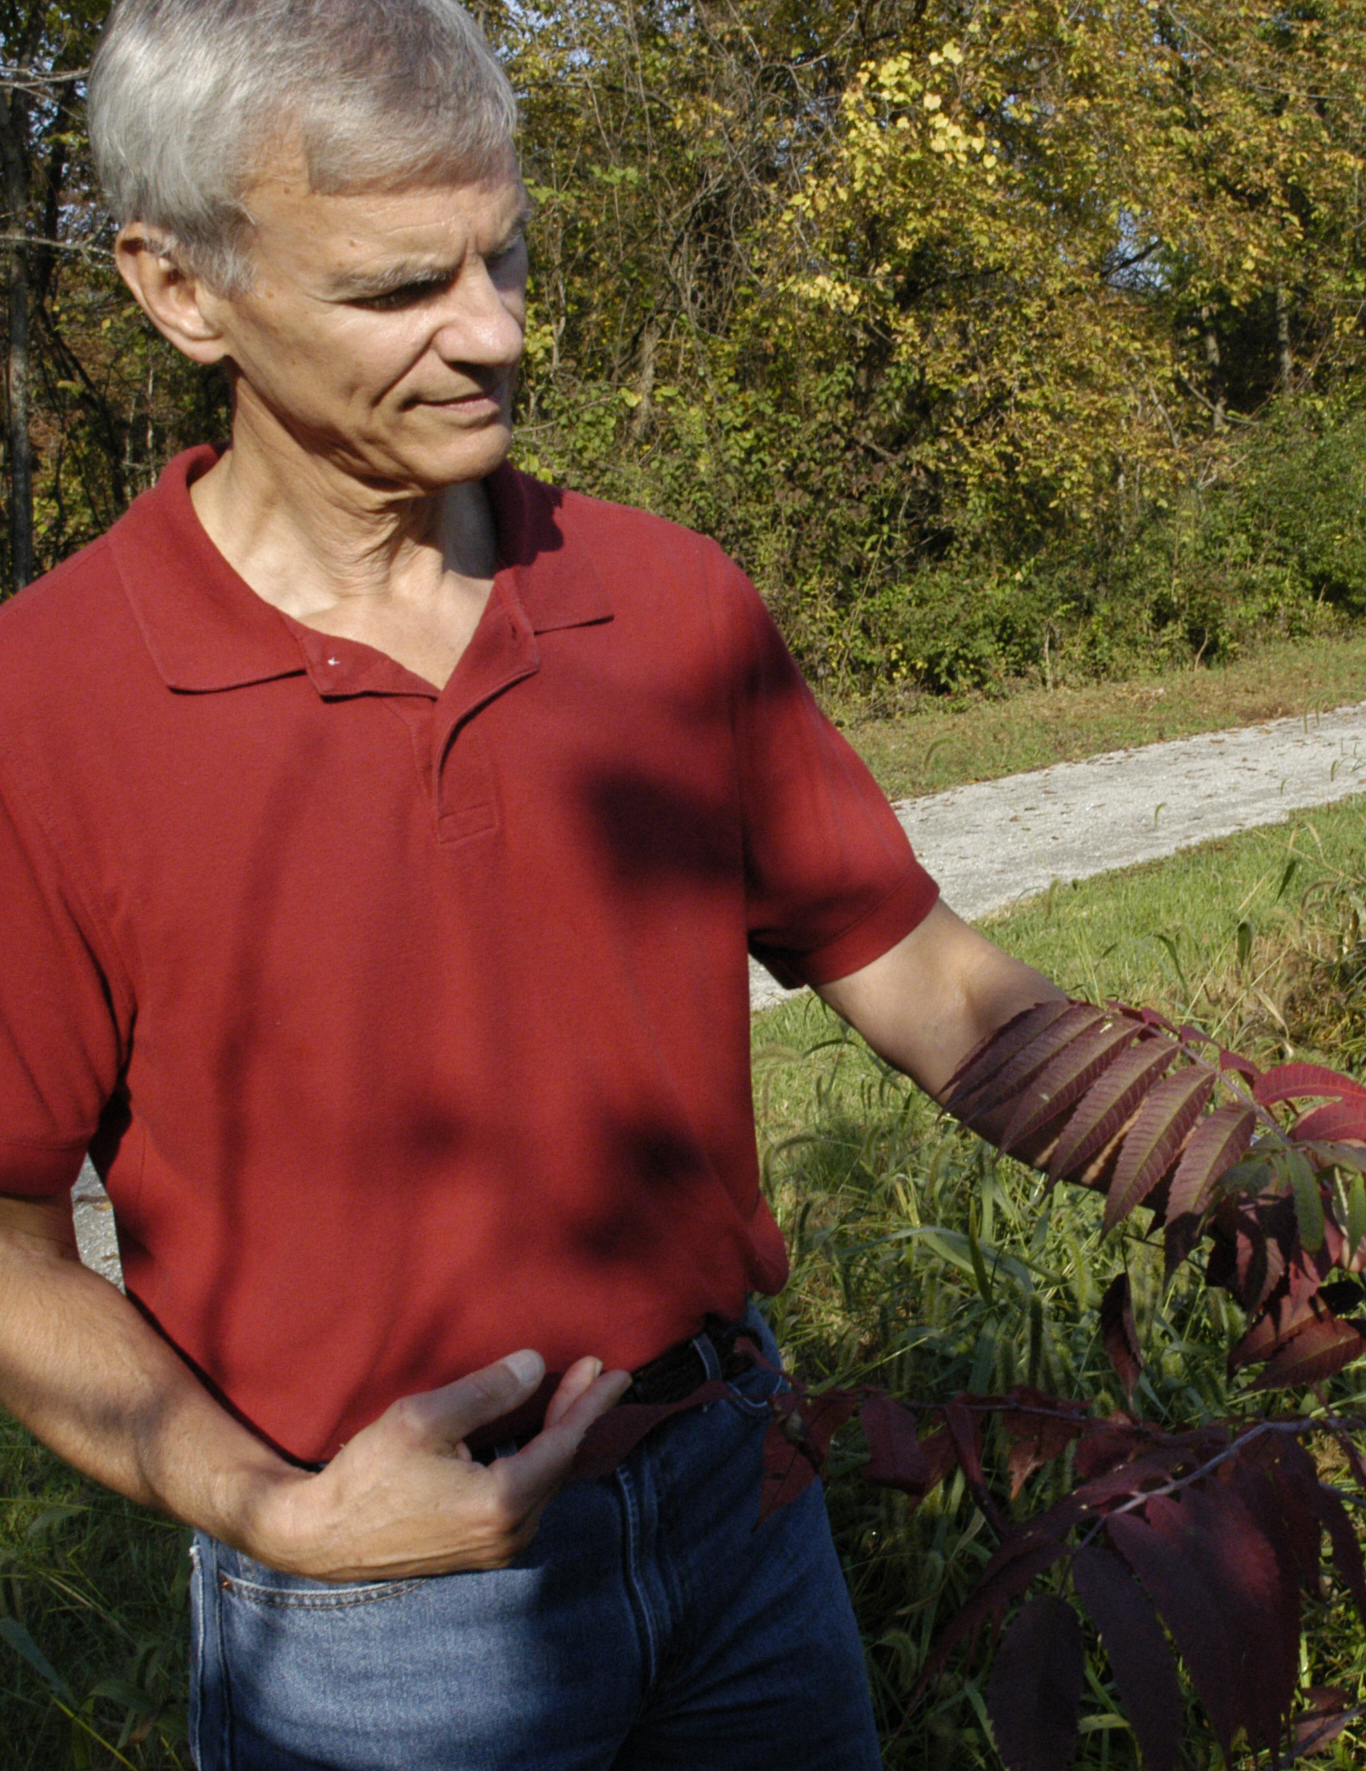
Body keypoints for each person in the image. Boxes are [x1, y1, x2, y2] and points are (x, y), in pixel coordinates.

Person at [0, 1, 1065, 1764]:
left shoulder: (662, 604)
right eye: (400, 287)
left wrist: (1230, 1166)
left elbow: (920, 970)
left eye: (504, 255)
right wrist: (271, 1512)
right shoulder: (48, 705)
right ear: (182, 291)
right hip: (377, 1620)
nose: (492, 332)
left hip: (743, 1506)